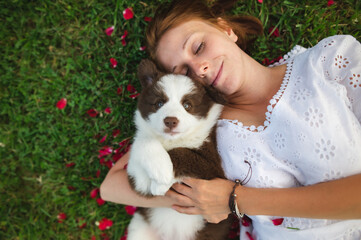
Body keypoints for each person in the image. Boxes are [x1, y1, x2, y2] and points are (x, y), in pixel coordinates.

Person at [100, 0, 361, 239]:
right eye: (184, 73)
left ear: (225, 30)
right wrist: (200, 198)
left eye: (199, 46)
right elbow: (111, 187)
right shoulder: (200, 126)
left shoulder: (328, 63)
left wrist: (235, 199)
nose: (199, 68)